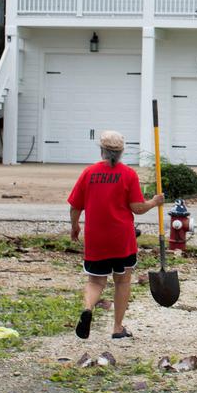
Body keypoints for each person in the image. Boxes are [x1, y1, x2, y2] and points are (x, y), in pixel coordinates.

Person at [68, 130, 163, 340]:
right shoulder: (128, 174)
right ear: (121, 153)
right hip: (121, 239)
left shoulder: (89, 173)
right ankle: (117, 328)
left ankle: (88, 309)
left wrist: (75, 226)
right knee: (122, 281)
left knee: (95, 282)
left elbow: (75, 206)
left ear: (101, 150)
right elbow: (137, 208)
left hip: (96, 238)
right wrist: (154, 202)